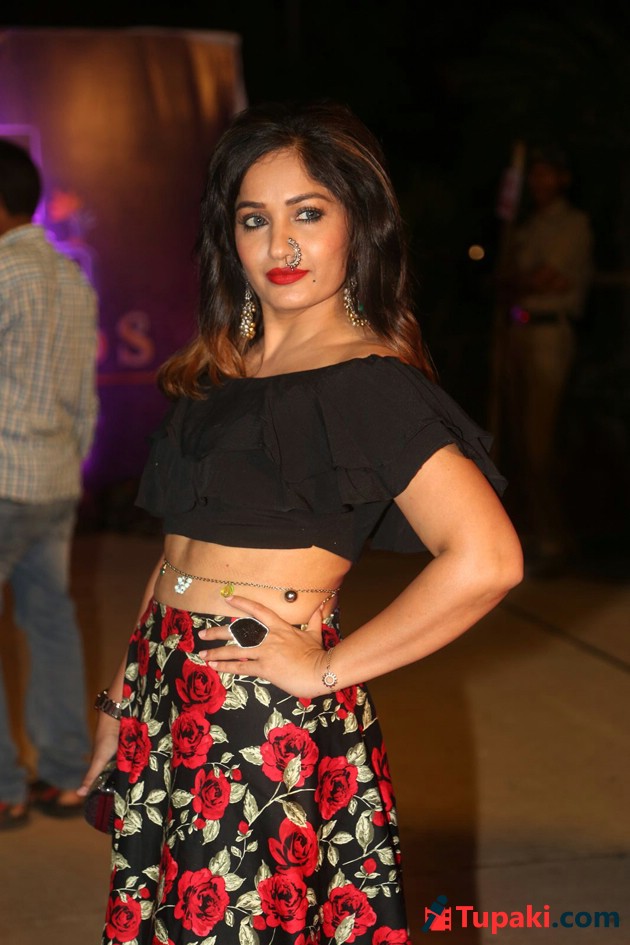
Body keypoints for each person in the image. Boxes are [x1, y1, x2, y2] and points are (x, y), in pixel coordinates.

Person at [79, 102, 522, 944]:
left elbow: (487, 558)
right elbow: (176, 558)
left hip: (259, 708)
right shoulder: (219, 371)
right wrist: (123, 699)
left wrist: (325, 670)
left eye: (308, 214)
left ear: (360, 226)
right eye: (255, 220)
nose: (280, 245)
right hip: (168, 690)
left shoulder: (367, 382)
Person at [0, 140, 98, 828]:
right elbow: (85, 398)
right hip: (57, 477)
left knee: (48, 621)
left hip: (3, 475)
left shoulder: (2, 274)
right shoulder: (71, 279)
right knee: (51, 622)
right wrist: (72, 465)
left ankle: (5, 787)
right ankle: (65, 776)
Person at [502, 146, 593, 568]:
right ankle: (539, 532)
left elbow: (549, 279)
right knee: (520, 440)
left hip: (549, 334)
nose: (539, 182)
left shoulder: (574, 224)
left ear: (562, 179)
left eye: (546, 174)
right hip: (518, 331)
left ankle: (557, 536)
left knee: (541, 442)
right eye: (534, 174)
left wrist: (512, 281)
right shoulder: (527, 226)